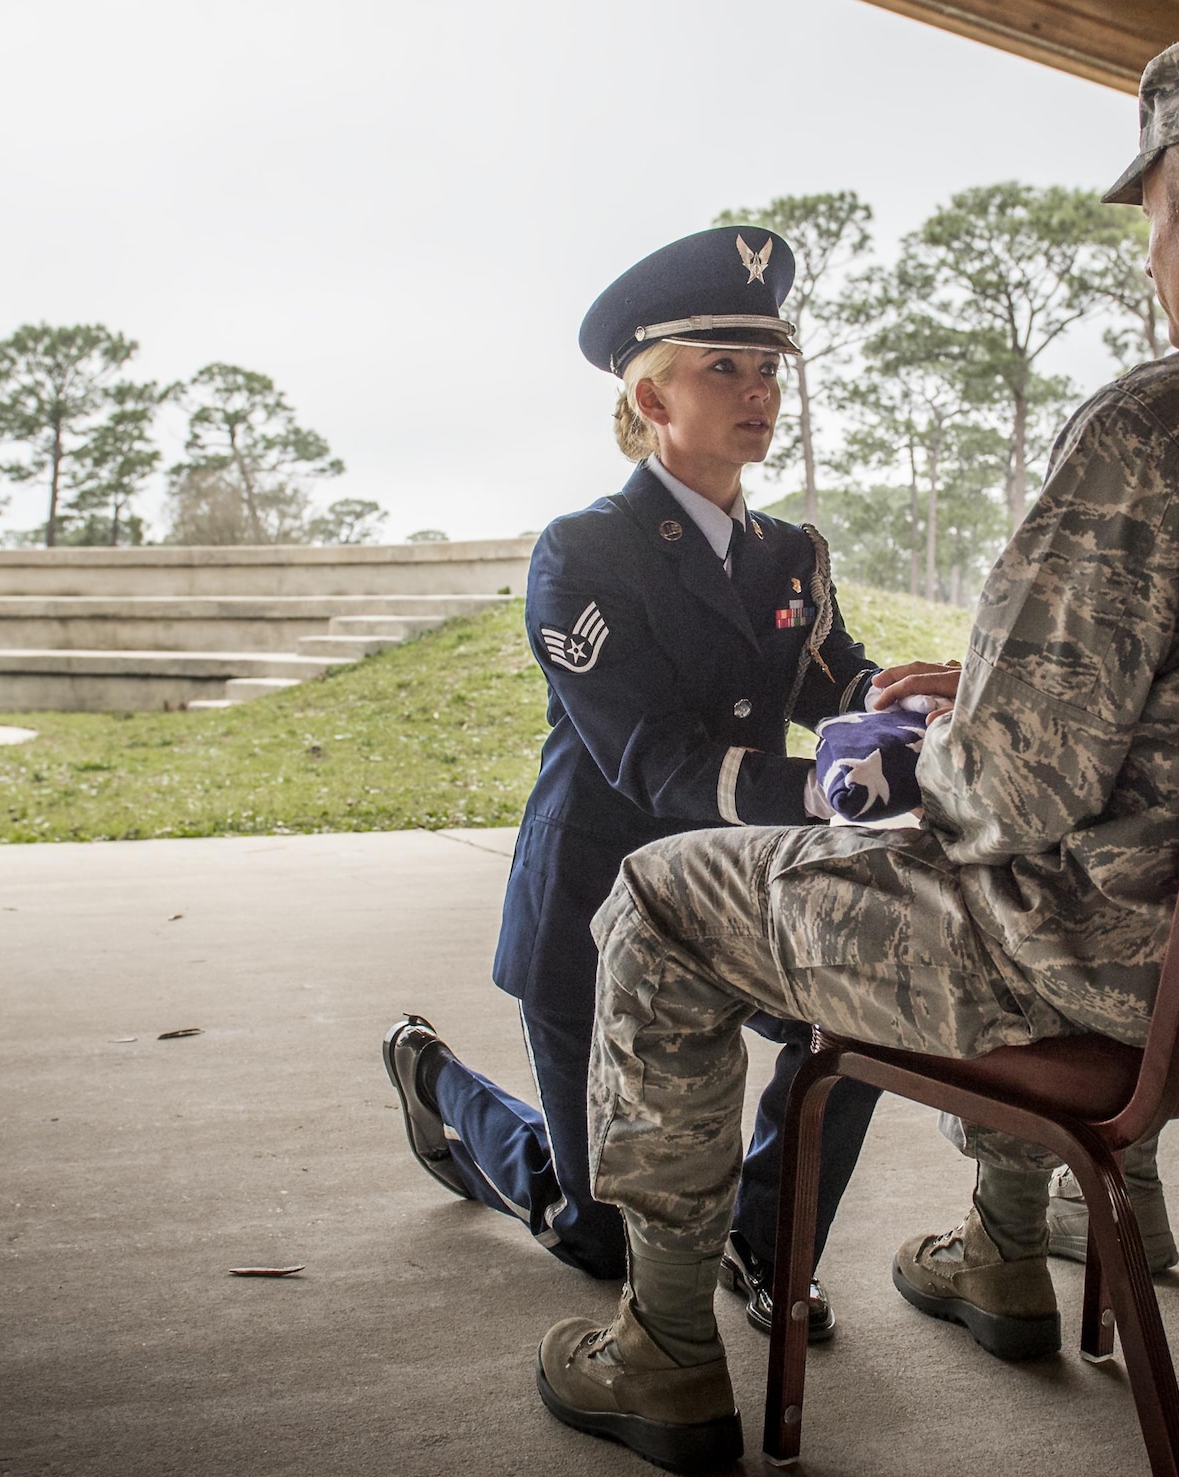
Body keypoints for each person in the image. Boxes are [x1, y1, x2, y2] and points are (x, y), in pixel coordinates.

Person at [533, 15, 1179, 1472]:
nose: (1152, 256)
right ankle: (1001, 1249)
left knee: (666, 896)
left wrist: (943, 732)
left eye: (1149, 221)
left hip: (1121, 988)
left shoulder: (1158, 422)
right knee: (1030, 883)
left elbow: (1010, 794)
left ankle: (665, 1348)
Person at [384, 225, 886, 1344]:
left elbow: (824, 675)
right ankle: (439, 1087)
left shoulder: (789, 553)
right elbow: (658, 760)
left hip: (736, 891)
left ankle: (766, 1237)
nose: (757, 391)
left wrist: (896, 699)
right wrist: (832, 791)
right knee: (595, 1236)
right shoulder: (583, 554)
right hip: (596, 909)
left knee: (854, 1024)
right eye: (724, 368)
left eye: (767, 369)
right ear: (651, 400)